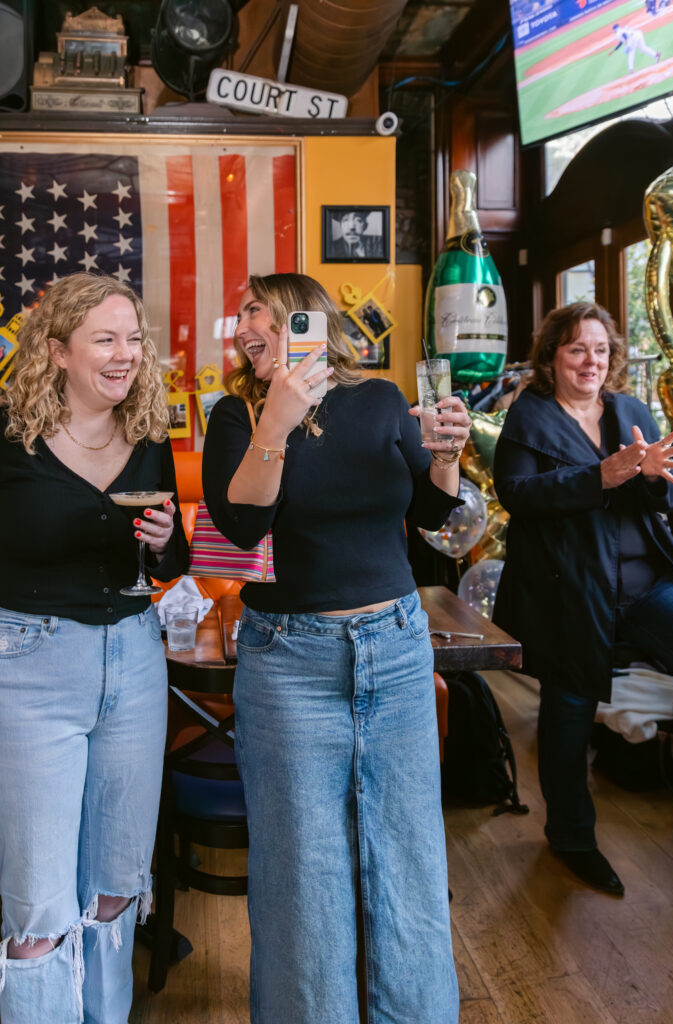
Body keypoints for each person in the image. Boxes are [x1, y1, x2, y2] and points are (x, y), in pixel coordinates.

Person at [203, 272, 468, 1022]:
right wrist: (275, 426)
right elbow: (241, 527)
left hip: (396, 645)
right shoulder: (238, 412)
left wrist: (444, 453)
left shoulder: (380, 399)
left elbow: (429, 510)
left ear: (301, 318)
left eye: (255, 307)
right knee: (301, 873)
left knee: (409, 857)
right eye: (241, 313)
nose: (243, 323)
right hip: (289, 659)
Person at [0, 273, 189, 1023]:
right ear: (57, 352)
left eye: (135, 338)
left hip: (136, 661)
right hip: (30, 666)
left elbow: (166, 566)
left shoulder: (148, 435)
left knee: (117, 882)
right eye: (106, 339)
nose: (126, 355)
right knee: (38, 906)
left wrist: (168, 544)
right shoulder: (9, 439)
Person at [493, 302, 673, 896]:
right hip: (569, 589)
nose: (590, 361)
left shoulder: (629, 410)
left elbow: (667, 497)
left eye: (600, 349)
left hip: (648, 583)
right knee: (568, 709)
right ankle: (572, 836)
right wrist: (601, 476)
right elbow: (517, 495)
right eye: (577, 348)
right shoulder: (527, 417)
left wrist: (653, 477)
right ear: (551, 358)